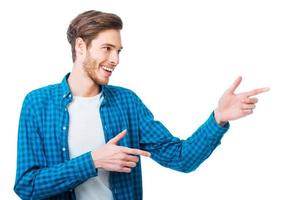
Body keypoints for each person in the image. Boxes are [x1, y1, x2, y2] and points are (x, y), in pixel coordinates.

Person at [14, 10, 269, 200]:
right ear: (81, 46)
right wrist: (92, 161)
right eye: (107, 48)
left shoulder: (126, 103)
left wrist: (218, 118)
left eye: (119, 51)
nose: (115, 59)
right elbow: (27, 186)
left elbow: (182, 158)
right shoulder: (38, 103)